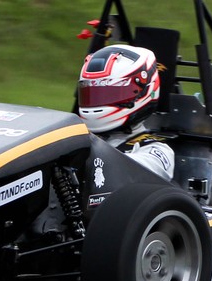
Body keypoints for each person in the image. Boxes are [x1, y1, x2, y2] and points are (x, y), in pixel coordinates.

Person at [75, 44, 175, 180]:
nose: (98, 101)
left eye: (110, 94)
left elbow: (127, 174)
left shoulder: (156, 151)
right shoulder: (78, 139)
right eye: (93, 94)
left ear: (142, 92)